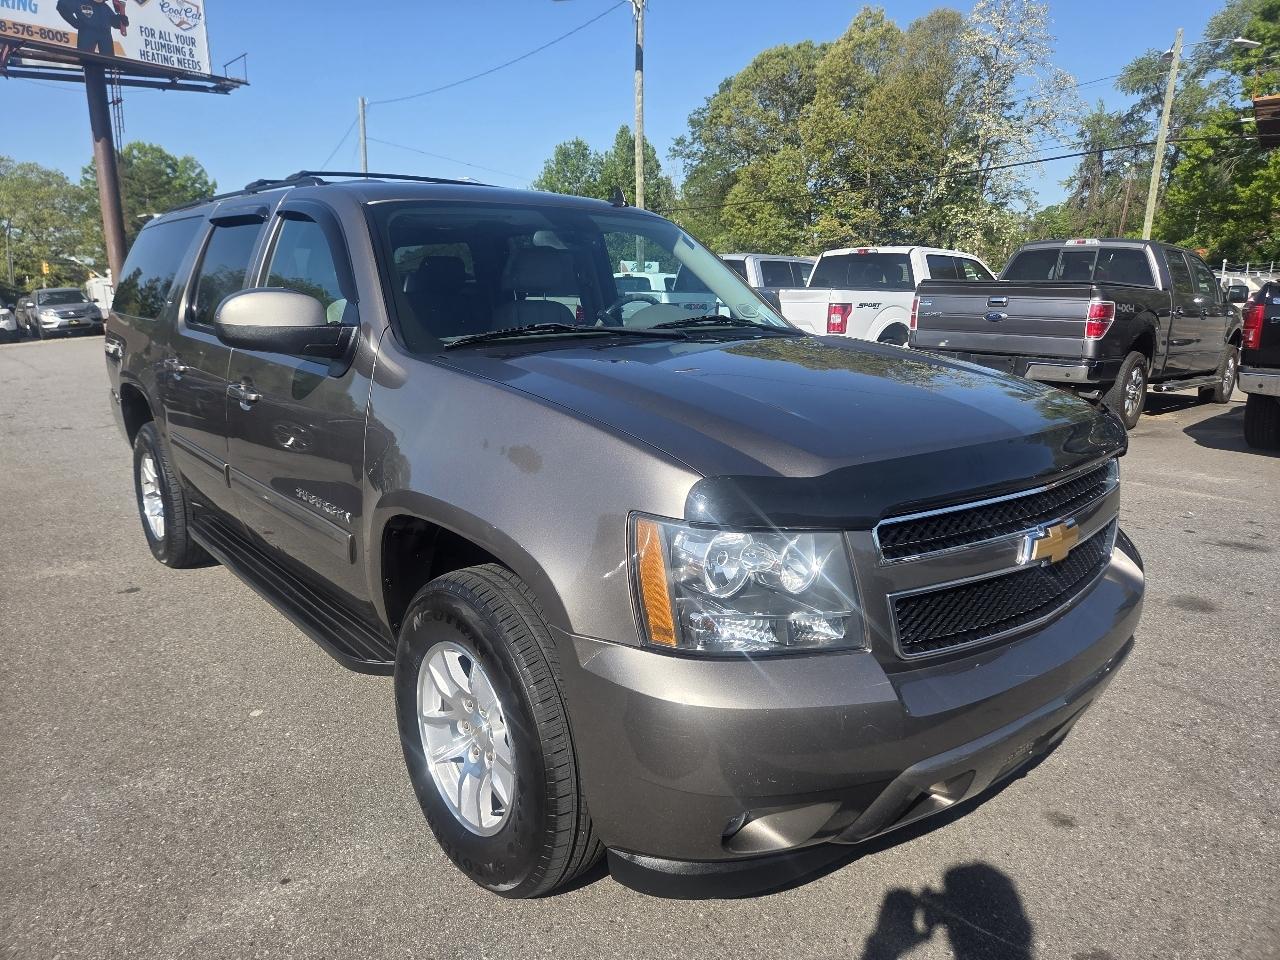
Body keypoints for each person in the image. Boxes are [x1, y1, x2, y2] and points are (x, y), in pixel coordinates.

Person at [55, 0, 129, 56]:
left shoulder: (105, 8)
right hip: (87, 34)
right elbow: (62, 6)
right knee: (86, 58)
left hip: (105, 36)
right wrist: (74, 22)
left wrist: (121, 20)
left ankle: (108, 67)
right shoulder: (81, 2)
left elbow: (113, 21)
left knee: (108, 59)